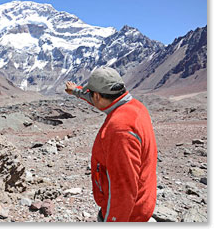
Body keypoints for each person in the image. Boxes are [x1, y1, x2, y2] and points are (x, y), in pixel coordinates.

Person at [65, 67, 157, 222]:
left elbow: (123, 189)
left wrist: (113, 220)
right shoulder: (134, 107)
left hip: (129, 215)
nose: (92, 98)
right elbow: (99, 100)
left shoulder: (120, 130)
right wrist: (76, 91)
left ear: (98, 95)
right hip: (141, 203)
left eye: (92, 95)